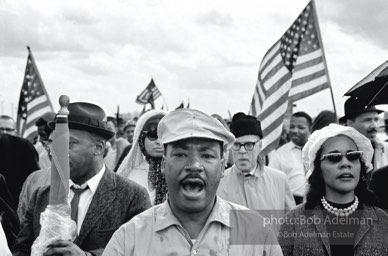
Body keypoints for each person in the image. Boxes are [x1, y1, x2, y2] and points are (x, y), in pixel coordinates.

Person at [103, 109, 283, 256]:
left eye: (206, 155)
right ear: (164, 164)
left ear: (222, 166)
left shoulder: (257, 233)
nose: (194, 166)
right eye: (180, 155)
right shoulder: (129, 238)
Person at [12, 102, 151, 256]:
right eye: (55, 144)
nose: (57, 152)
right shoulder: (41, 195)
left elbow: (139, 249)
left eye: (69, 143)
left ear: (98, 148)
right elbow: (21, 250)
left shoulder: (132, 196)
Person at [278, 124, 388, 255]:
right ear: (318, 169)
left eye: (353, 156)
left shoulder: (382, 220)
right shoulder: (294, 220)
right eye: (334, 157)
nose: (345, 163)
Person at [218, 112, 295, 216]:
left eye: (249, 144)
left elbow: (293, 224)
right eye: (236, 145)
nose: (242, 151)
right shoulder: (219, 182)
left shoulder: (279, 179)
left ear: (260, 146)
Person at [117, 110, 167, 205]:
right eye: (153, 135)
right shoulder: (131, 177)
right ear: (141, 139)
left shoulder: (180, 172)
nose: (158, 142)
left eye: (163, 136)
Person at [269, 111, 312, 204]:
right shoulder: (280, 153)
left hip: (319, 202)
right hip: (291, 203)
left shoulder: (319, 149)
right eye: (292, 127)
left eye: (300, 127)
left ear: (310, 129)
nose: (295, 131)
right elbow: (271, 181)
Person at [343, 97, 388, 170]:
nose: (374, 126)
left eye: (376, 119)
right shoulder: (340, 153)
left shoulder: (385, 149)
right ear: (350, 123)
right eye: (367, 120)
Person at [0, 126, 40, 208]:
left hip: (18, 210)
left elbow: (35, 182)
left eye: (8, 129)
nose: (4, 131)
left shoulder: (23, 146)